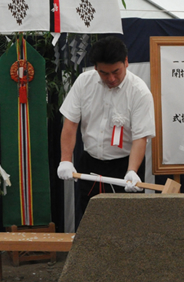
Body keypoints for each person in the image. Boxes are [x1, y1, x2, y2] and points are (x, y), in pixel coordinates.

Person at [57, 36, 155, 225]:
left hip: (125, 166)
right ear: (95, 68)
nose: (111, 78)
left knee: (127, 225)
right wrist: (65, 160)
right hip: (91, 165)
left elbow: (140, 137)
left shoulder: (139, 92)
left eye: (116, 72)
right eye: (104, 73)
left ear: (126, 62)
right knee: (91, 223)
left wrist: (132, 171)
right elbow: (70, 124)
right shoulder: (84, 82)